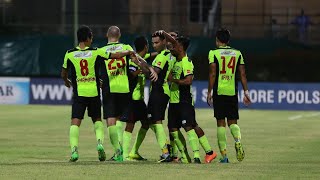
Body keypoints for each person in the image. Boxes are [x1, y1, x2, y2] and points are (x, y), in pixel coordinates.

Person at [61, 25, 133, 162]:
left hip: (79, 94)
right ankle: (100, 144)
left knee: (75, 123)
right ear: (88, 38)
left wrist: (66, 81)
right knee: (97, 121)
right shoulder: (96, 52)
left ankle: (74, 151)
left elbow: (63, 73)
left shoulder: (69, 53)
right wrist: (127, 53)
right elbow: (116, 56)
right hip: (93, 93)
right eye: (91, 37)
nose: (92, 39)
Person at [161, 30, 218, 164]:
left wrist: (173, 80)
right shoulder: (175, 60)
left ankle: (197, 157)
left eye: (175, 46)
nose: (172, 48)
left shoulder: (186, 62)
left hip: (184, 101)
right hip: (174, 101)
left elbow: (188, 81)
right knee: (173, 128)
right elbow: (172, 46)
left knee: (189, 126)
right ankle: (192, 155)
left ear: (180, 47)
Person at [99, 26, 151, 162]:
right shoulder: (126, 47)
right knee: (122, 120)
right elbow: (140, 61)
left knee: (111, 120)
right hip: (125, 88)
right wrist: (149, 69)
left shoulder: (101, 50)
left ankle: (118, 151)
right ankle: (122, 152)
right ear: (119, 35)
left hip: (109, 88)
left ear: (107, 35)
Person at [207, 28, 251, 163]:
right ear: (228, 40)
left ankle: (224, 156)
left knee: (221, 123)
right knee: (233, 122)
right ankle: (237, 140)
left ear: (217, 39)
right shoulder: (238, 53)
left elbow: (213, 74)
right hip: (232, 92)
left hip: (220, 92)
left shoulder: (213, 53)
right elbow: (242, 74)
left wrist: (209, 92)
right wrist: (246, 92)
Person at [122, 36, 158, 160]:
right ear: (146, 46)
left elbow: (153, 55)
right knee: (131, 124)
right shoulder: (133, 60)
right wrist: (140, 70)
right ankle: (126, 154)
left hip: (139, 99)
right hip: (133, 98)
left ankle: (132, 152)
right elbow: (131, 74)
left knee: (145, 124)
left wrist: (163, 51)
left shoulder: (141, 58)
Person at [147, 31, 173, 162]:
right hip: (160, 91)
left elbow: (153, 74)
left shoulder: (162, 56)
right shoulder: (166, 54)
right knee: (151, 121)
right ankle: (167, 146)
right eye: (153, 43)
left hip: (159, 91)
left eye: (157, 42)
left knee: (156, 121)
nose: (154, 45)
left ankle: (166, 153)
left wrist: (142, 64)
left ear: (164, 42)